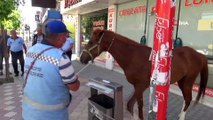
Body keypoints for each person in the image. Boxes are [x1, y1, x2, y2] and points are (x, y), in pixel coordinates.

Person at [22, 20, 80, 120]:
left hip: (28, 113)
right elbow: (74, 87)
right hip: (52, 116)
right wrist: (75, 79)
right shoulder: (61, 58)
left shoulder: (31, 51)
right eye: (66, 36)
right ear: (60, 37)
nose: (66, 39)